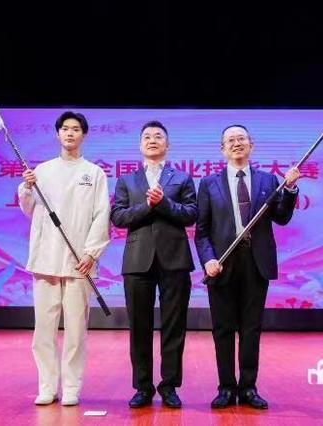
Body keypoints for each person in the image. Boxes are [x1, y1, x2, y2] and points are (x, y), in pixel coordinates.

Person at [195, 124, 300, 409]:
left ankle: (249, 388)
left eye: (241, 138)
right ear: (222, 149)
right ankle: (226, 388)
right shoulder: (209, 183)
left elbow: (281, 218)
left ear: (251, 145)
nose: (236, 143)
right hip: (222, 264)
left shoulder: (268, 180)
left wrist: (290, 189)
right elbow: (202, 231)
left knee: (251, 328)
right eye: (230, 140)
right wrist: (208, 260)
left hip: (256, 263)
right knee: (223, 329)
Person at [19, 111, 110, 406]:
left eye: (76, 129)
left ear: (84, 134)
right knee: (43, 330)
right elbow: (29, 209)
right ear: (58, 134)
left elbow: (102, 215)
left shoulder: (94, 173)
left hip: (79, 263)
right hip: (46, 259)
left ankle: (71, 387)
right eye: (65, 129)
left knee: (75, 330)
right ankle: (47, 386)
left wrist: (91, 253)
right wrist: (26, 187)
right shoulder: (42, 171)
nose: (70, 133)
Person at [110, 120, 197, 408]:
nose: (152, 140)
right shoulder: (127, 180)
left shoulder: (182, 178)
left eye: (158, 136)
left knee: (174, 326)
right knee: (139, 327)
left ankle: (169, 386)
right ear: (140, 145)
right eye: (147, 136)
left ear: (167, 145)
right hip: (138, 260)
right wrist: (147, 206)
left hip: (175, 259)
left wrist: (164, 203)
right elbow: (118, 217)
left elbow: (191, 214)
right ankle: (143, 387)